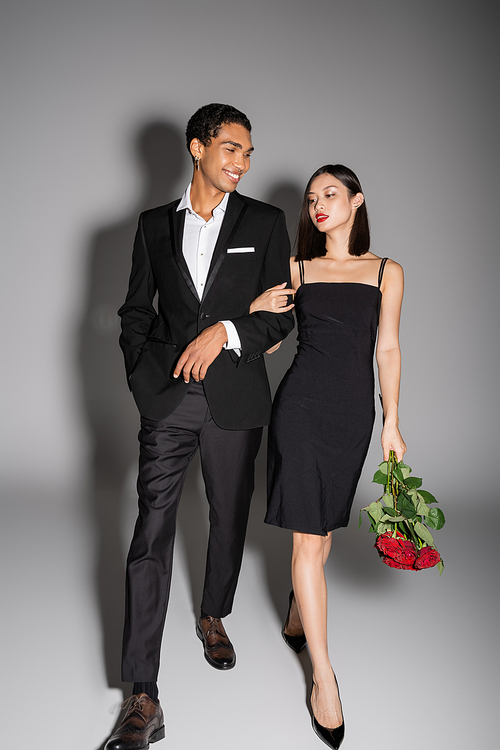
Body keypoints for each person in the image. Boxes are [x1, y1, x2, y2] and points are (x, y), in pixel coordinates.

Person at [106, 103, 294, 750]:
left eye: (248, 153)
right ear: (197, 147)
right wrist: (143, 379)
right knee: (150, 532)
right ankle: (143, 694)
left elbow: (281, 317)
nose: (241, 163)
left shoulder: (265, 223)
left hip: (237, 400)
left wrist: (227, 331)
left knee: (228, 517)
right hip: (168, 400)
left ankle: (212, 612)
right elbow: (135, 310)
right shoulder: (152, 226)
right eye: (230, 149)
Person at [251, 164, 406, 749]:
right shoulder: (297, 268)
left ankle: (295, 616)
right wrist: (260, 305)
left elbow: (387, 348)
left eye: (330, 194)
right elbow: (269, 338)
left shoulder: (387, 272)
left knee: (325, 533)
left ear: (356, 201)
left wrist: (393, 421)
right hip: (301, 410)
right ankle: (323, 678)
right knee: (308, 541)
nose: (318, 205)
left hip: (352, 417)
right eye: (312, 198)